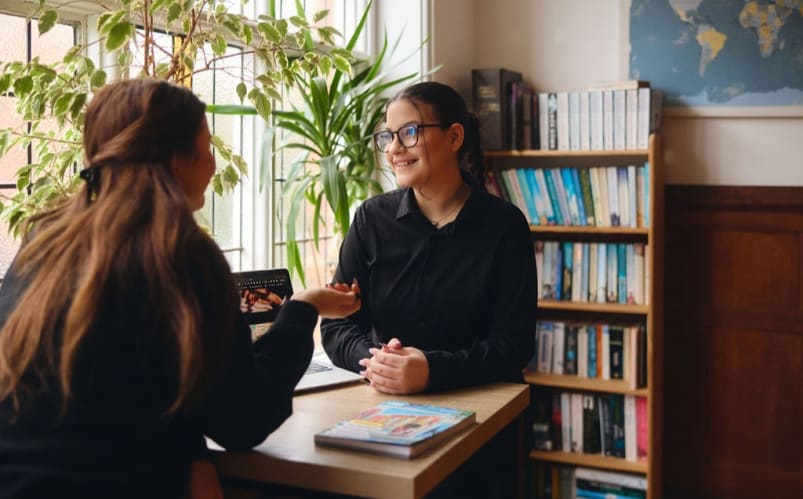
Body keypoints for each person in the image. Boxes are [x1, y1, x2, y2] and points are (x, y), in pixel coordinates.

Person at [0, 79, 360, 499]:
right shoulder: (181, 257)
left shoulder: (44, 240)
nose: (212, 165)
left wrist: (187, 447)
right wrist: (302, 309)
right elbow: (244, 419)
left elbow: (116, 391)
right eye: (207, 148)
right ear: (177, 162)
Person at [320, 81, 538, 497]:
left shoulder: (504, 227)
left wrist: (431, 370)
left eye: (410, 132)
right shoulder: (370, 220)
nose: (393, 149)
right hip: (382, 421)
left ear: (454, 137)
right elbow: (337, 326)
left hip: (478, 430)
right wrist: (381, 365)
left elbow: (513, 345)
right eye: (387, 136)